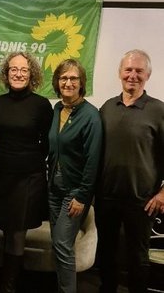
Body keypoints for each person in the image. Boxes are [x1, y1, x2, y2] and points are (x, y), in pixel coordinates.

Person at [95, 49, 164, 293]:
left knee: (137, 257)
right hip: (106, 197)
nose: (132, 75)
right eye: (128, 70)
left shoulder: (158, 110)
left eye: (138, 71)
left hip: (142, 200)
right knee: (106, 253)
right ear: (120, 73)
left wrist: (163, 194)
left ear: (148, 75)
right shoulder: (106, 108)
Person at [0, 51, 53, 292]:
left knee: (16, 232)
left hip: (27, 178)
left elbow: (47, 143)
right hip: (1, 174)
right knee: (6, 229)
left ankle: (9, 286)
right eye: (13, 69)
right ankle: (10, 279)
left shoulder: (42, 104)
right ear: (6, 73)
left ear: (32, 74)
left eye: (24, 70)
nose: (18, 73)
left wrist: (28, 161)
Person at [47, 59, 103, 293]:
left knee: (62, 243)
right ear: (57, 82)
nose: (68, 83)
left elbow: (93, 161)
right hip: (54, 189)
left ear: (81, 83)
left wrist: (82, 196)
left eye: (73, 78)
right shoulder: (58, 109)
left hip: (74, 191)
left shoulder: (91, 116)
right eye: (63, 78)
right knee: (60, 246)